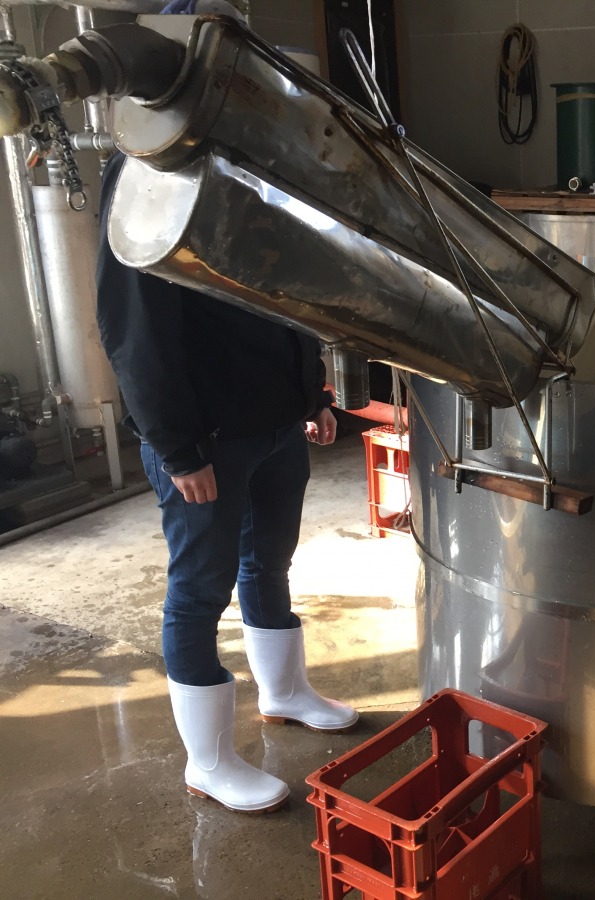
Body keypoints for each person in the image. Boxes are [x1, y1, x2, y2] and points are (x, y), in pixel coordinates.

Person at [96, 122, 357, 811]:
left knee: (268, 562)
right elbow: (134, 329)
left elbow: (284, 294)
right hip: (208, 440)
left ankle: (285, 692)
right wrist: (177, 448)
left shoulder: (249, 169)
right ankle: (208, 761)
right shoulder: (149, 175)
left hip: (276, 422)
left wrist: (311, 394)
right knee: (199, 590)